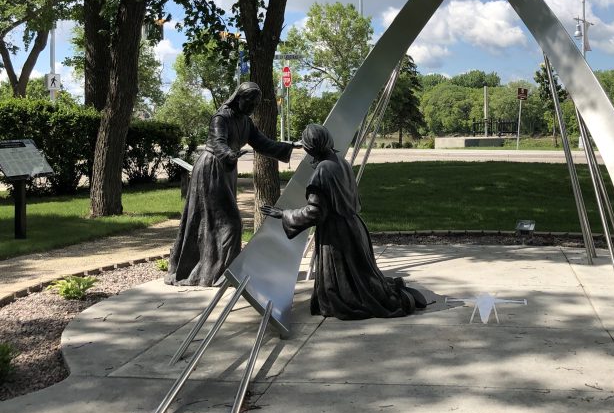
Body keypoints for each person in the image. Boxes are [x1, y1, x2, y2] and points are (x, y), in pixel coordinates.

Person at [260, 123, 426, 320]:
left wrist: (285, 214)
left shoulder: (322, 171)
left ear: (310, 148)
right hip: (354, 227)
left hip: (337, 236)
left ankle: (344, 302)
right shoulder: (340, 161)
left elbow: (315, 212)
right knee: (360, 277)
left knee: (346, 284)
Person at [165, 82, 300, 287]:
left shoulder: (246, 122)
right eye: (250, 102)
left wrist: (290, 146)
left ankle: (213, 271)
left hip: (226, 169)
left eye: (255, 104)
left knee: (216, 221)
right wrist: (229, 154)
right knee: (230, 223)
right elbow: (217, 142)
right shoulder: (221, 117)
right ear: (239, 98)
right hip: (212, 169)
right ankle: (214, 273)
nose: (252, 107)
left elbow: (263, 144)